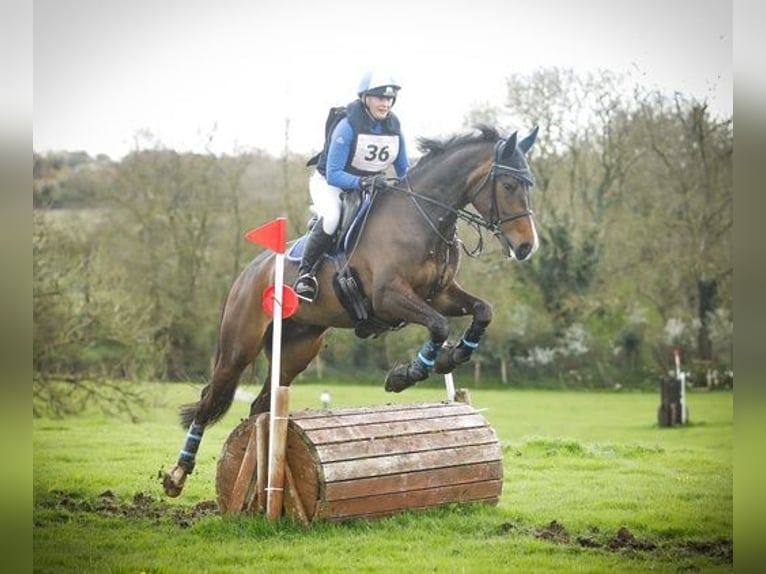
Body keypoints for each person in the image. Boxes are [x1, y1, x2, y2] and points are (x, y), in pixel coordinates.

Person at [293, 70, 411, 303]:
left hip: (370, 188)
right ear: (365, 98)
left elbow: (404, 171)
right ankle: (305, 274)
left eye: (389, 99)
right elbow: (335, 175)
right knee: (332, 218)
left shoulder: (394, 129)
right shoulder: (347, 127)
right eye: (379, 97)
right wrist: (363, 181)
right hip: (331, 184)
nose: (385, 103)